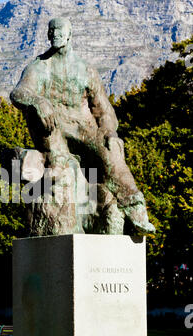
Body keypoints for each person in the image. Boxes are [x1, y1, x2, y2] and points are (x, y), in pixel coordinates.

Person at [10, 17, 155, 235]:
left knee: (112, 151)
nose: (56, 35)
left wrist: (108, 129)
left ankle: (135, 207)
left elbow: (104, 110)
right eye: (52, 31)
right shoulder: (39, 67)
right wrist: (38, 101)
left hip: (83, 128)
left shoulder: (86, 70)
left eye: (60, 31)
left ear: (69, 35)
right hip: (53, 130)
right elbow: (18, 93)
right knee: (61, 171)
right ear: (48, 35)